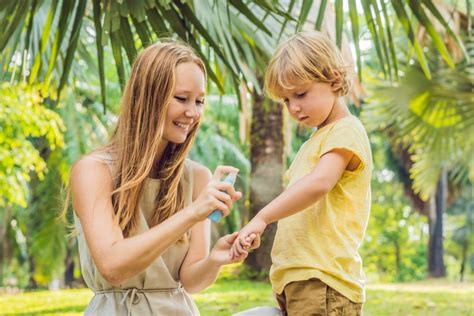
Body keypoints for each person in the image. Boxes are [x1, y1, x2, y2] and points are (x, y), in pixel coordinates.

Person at [67, 40, 257, 315]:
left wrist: (215, 259)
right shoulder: (93, 171)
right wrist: (193, 213)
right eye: (181, 98)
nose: (193, 112)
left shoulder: (197, 177)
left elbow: (190, 280)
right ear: (148, 97)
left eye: (200, 101)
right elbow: (112, 266)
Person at [231, 31, 372, 315]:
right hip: (298, 280)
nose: (293, 108)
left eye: (301, 94)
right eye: (285, 100)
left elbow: (319, 184)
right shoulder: (314, 142)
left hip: (324, 280)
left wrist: (262, 217)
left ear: (333, 79)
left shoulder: (346, 130)